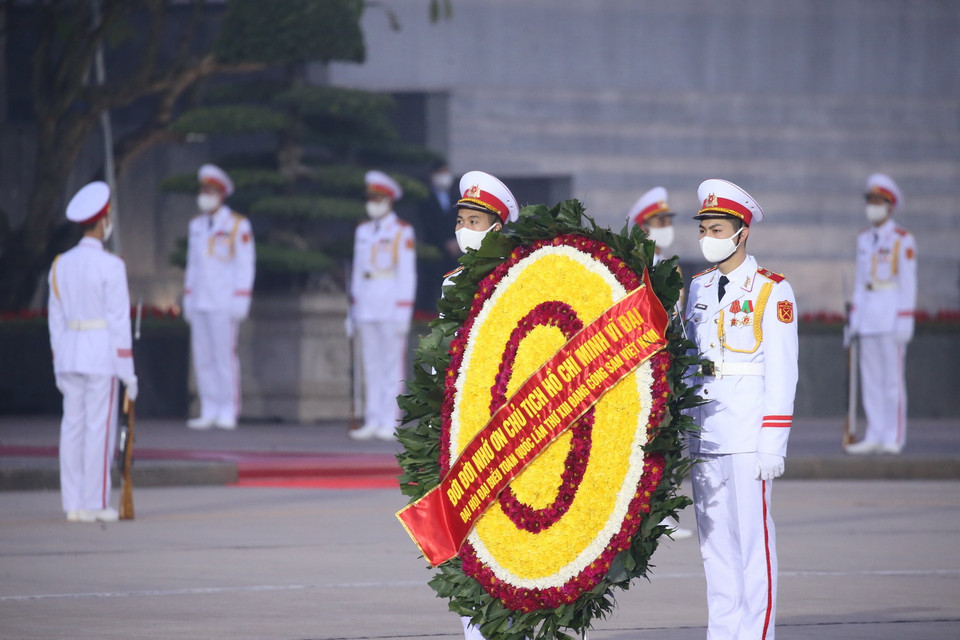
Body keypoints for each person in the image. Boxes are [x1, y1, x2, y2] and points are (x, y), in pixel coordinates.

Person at [684, 178, 798, 640]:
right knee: (715, 548)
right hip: (705, 434)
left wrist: (774, 440)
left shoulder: (773, 289)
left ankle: (757, 633)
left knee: (753, 544)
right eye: (704, 229)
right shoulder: (696, 288)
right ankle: (723, 631)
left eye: (716, 228)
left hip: (750, 435)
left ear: (741, 231)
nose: (708, 237)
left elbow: (783, 371)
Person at [446, 170, 518, 640]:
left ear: (497, 227)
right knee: (468, 545)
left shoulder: (522, 276)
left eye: (475, 221)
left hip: (512, 427)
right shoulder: (454, 282)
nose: (464, 230)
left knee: (512, 544)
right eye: (463, 220)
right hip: (463, 431)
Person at [48, 181, 138, 523]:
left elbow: (55, 321)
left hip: (69, 353)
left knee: (72, 427)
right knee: (98, 429)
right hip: (100, 353)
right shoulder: (112, 266)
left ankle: (72, 503)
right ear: (103, 221)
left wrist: (58, 360)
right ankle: (95, 503)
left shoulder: (60, 264)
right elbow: (118, 323)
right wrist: (128, 373)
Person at [628, 186, 692, 541]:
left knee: (665, 437)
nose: (665, 227)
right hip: (639, 364)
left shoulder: (672, 266)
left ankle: (661, 510)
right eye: (659, 221)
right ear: (643, 226)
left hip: (666, 361)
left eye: (667, 220)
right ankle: (639, 513)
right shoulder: (632, 267)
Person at [845, 173, 917, 455]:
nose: (872, 205)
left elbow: (908, 281)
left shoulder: (902, 239)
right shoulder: (864, 238)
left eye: (878, 201)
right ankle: (875, 432)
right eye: (870, 200)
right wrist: (853, 320)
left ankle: (893, 435)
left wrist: (906, 318)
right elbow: (861, 282)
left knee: (891, 381)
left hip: (891, 315)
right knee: (871, 381)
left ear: (890, 205)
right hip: (868, 318)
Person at [183, 164, 256, 430]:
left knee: (224, 357)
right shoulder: (197, 225)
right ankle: (208, 407)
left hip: (224, 300)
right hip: (200, 298)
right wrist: (188, 298)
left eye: (209, 191)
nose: (204, 195)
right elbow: (192, 264)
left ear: (221, 194)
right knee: (202, 357)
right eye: (202, 190)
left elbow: (245, 264)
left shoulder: (237, 224)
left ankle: (228, 408)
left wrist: (241, 298)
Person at [347, 170, 417, 441]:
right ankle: (373, 418)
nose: (372, 203)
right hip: (366, 305)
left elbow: (407, 273)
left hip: (389, 303)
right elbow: (357, 272)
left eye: (378, 198)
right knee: (370, 365)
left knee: (391, 366)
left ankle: (390, 419)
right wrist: (352, 311)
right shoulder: (363, 230)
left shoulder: (401, 231)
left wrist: (403, 310)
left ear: (389, 200)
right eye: (370, 198)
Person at [416, 160, 461, 312]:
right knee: (431, 284)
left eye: (446, 172)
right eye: (440, 173)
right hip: (434, 247)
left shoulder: (456, 197)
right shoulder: (425, 198)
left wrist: (456, 240)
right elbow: (428, 223)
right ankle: (427, 315)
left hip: (455, 249)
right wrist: (444, 241)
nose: (444, 177)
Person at [630, 186, 677, 265]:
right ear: (643, 229)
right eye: (662, 222)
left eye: (670, 222)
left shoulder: (671, 266)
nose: (668, 227)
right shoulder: (632, 265)